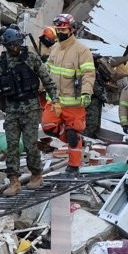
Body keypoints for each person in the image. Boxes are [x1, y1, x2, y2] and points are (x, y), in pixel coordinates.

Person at [0, 27, 59, 196]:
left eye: (18, 44)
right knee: (12, 146)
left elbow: (47, 80)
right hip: (12, 110)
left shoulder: (31, 58)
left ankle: (36, 174)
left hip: (30, 108)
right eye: (12, 45)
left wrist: (55, 100)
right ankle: (14, 181)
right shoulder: (1, 64)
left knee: (31, 145)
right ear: (7, 45)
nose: (16, 47)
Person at [42, 13, 95, 175]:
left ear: (71, 30)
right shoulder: (55, 48)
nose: (60, 32)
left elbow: (89, 74)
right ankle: (71, 136)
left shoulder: (82, 50)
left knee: (73, 136)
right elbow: (47, 71)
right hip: (55, 101)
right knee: (47, 126)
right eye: (58, 29)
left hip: (74, 103)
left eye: (63, 29)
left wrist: (86, 92)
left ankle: (74, 166)